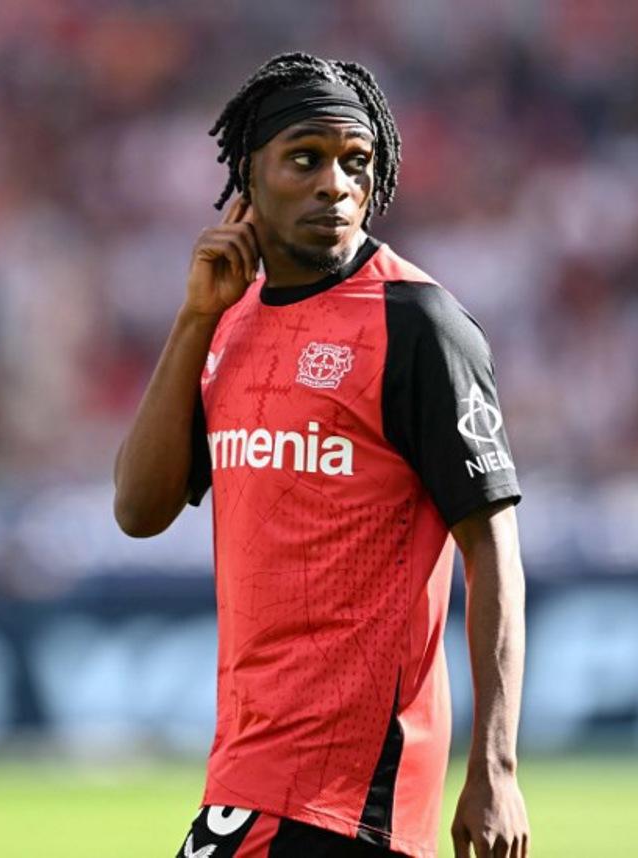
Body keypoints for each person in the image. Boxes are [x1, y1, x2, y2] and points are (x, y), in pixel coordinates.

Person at [113, 52, 530, 858]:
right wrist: (195, 318)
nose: (335, 184)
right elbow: (139, 508)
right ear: (249, 177)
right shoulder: (228, 323)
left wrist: (496, 766)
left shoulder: (418, 326)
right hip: (248, 771)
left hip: (346, 792)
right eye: (305, 159)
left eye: (355, 163)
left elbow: (494, 553)